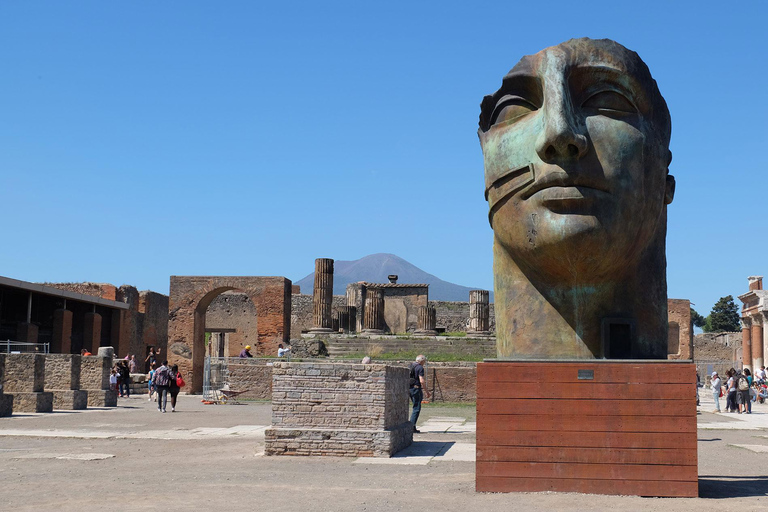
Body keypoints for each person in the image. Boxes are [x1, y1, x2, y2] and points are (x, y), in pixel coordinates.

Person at [408, 355, 430, 433]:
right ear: (422, 361)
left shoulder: (410, 365)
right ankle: (411, 426)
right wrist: (427, 391)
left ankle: (411, 426)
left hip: (409, 388)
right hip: (416, 388)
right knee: (416, 408)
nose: (424, 363)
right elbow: (422, 381)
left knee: (414, 406)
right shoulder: (420, 367)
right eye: (424, 361)